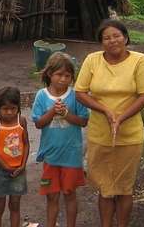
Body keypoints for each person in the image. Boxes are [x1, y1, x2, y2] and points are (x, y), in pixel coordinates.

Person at [74, 19, 144, 227]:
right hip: (100, 134)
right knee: (105, 188)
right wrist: (106, 111)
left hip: (129, 136)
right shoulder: (92, 60)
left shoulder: (139, 60)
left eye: (117, 36)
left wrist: (121, 117)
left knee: (125, 188)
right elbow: (80, 92)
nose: (112, 41)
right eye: (106, 38)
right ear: (101, 42)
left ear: (126, 38)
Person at [31, 52, 89, 227]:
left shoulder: (76, 96)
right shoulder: (42, 96)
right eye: (59, 75)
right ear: (50, 74)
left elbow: (83, 121)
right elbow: (39, 123)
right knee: (51, 195)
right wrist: (52, 112)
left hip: (72, 155)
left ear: (72, 77)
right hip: (50, 156)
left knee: (70, 193)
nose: (63, 79)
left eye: (67, 76)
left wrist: (66, 114)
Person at [0, 87, 29, 227]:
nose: (10, 112)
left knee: (15, 206)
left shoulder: (21, 121)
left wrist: (23, 165)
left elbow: (26, 144)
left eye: (13, 108)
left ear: (18, 108)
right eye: (5, 109)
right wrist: (5, 167)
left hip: (18, 171)